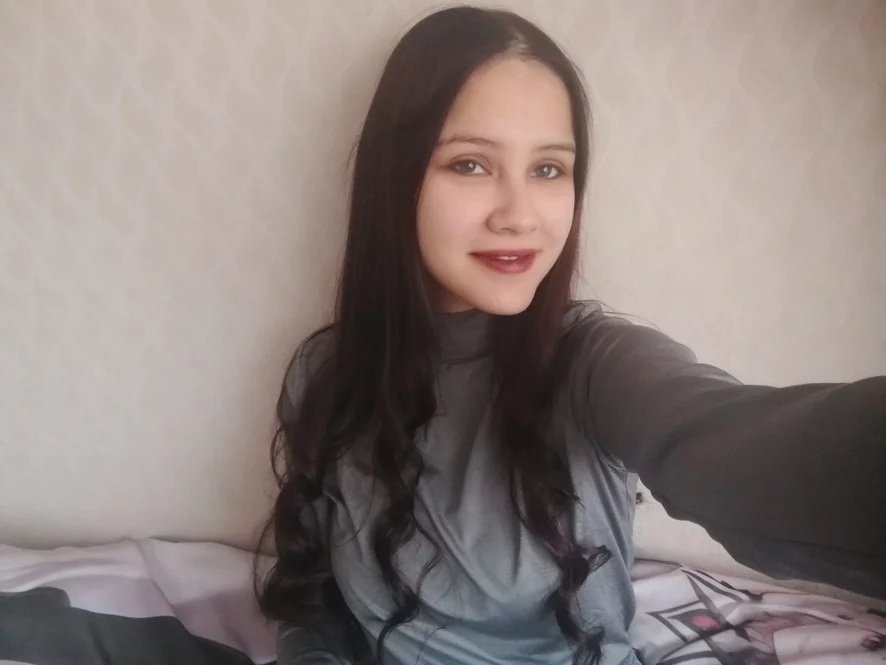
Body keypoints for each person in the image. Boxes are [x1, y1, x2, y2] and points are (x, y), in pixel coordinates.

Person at [253, 6, 886, 665]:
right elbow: (311, 593)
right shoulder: (325, 371)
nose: (520, 215)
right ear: (395, 176)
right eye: (470, 164)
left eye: (549, 169)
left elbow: (726, 443)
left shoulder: (595, 364)